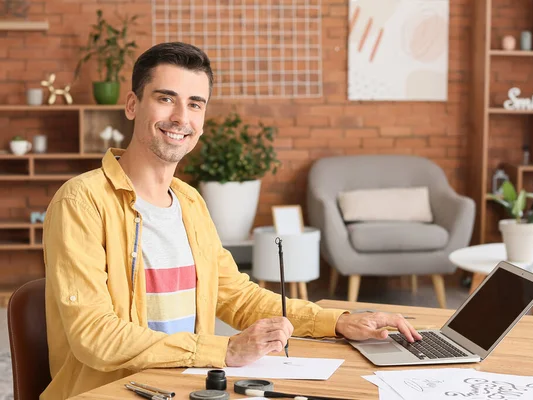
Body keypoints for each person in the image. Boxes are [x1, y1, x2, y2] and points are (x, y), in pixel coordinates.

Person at [41, 42, 421, 400]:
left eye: (195, 104)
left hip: (183, 386)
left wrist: (338, 321)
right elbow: (95, 336)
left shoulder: (190, 202)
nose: (180, 117)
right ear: (131, 105)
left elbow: (236, 296)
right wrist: (225, 348)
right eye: (165, 98)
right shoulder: (82, 201)